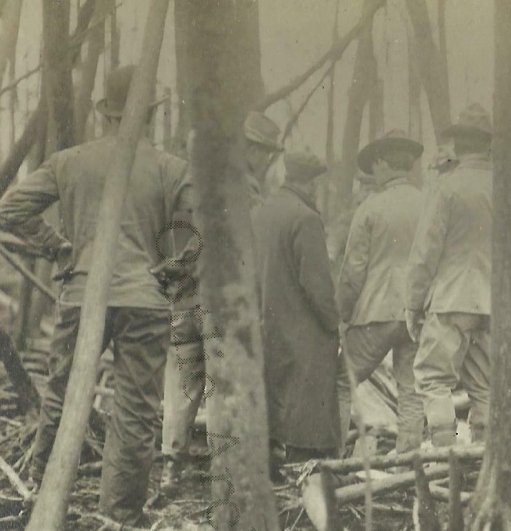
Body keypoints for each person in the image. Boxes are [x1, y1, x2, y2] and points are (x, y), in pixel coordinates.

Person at [0, 65, 192, 526]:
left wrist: (59, 248)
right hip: (143, 301)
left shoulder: (71, 161)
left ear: (105, 111)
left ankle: (42, 501)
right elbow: (192, 242)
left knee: (61, 398)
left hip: (83, 292)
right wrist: (162, 276)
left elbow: (8, 210)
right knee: (136, 411)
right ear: (147, 115)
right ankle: (119, 516)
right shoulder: (171, 169)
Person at [158, 115, 284, 492]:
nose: (266, 160)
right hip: (218, 299)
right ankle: (220, 471)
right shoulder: (245, 188)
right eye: (264, 152)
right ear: (251, 149)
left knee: (182, 384)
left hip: (183, 295)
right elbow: (250, 248)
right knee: (217, 385)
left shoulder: (194, 179)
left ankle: (170, 470)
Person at [405, 103, 493, 447]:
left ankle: (447, 457)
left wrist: (413, 304)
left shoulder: (448, 187)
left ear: (458, 143)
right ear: (488, 143)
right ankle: (485, 459)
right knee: (484, 385)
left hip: (452, 299)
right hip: (491, 302)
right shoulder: (508, 186)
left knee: (433, 379)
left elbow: (424, 252)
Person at [335, 130, 425, 455]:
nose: (374, 171)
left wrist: (341, 315)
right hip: (417, 312)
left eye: (375, 164)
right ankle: (407, 458)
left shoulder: (371, 208)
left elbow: (353, 271)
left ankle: (334, 458)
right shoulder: (427, 202)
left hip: (377, 311)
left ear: (384, 163)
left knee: (342, 382)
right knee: (410, 389)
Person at [252, 148, 340, 462]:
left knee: (276, 394)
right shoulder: (306, 218)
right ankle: (307, 465)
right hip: (305, 330)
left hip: (269, 321)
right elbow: (317, 286)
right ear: (310, 184)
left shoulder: (263, 212)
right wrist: (333, 323)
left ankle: (275, 459)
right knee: (309, 407)